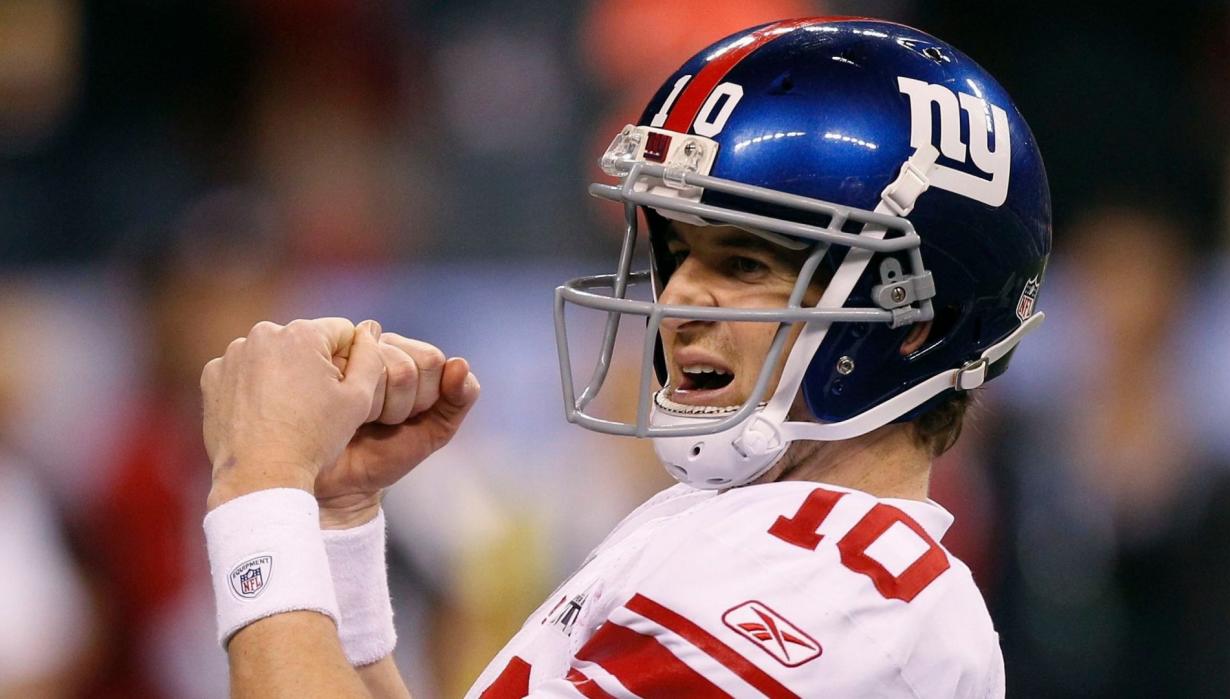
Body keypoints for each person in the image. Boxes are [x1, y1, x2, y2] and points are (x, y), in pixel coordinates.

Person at [200, 17, 1050, 697]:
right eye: (679, 255)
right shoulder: (743, 530)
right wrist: (334, 521)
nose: (678, 300)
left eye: (744, 263)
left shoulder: (852, 592)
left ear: (908, 322)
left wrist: (258, 480)